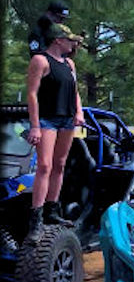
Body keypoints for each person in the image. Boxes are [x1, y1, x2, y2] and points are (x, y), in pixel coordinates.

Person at [24, 23, 85, 243]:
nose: (73, 44)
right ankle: (36, 219)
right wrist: (35, 125)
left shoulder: (69, 63)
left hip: (67, 119)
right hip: (47, 119)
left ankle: (52, 210)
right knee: (44, 166)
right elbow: (32, 94)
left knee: (60, 165)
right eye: (70, 40)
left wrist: (79, 112)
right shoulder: (40, 60)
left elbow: (75, 91)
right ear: (58, 40)